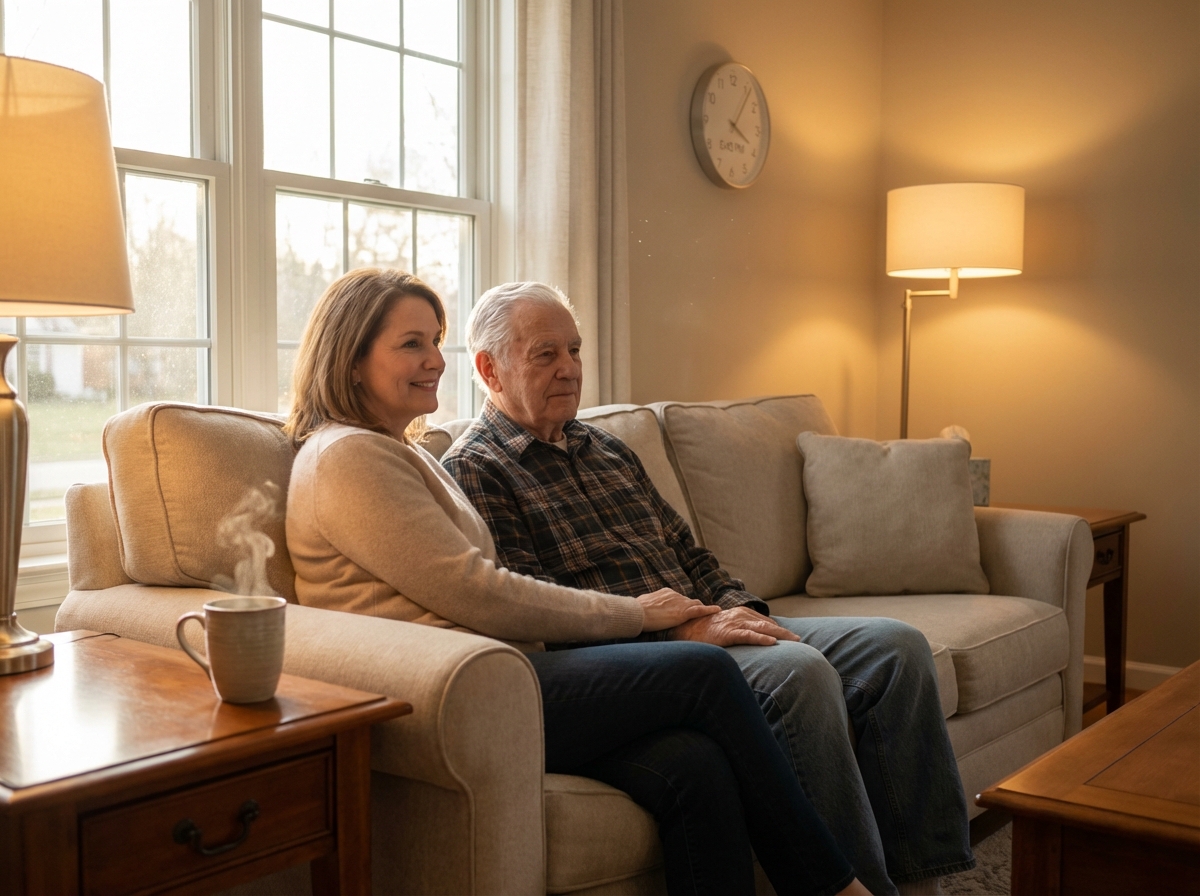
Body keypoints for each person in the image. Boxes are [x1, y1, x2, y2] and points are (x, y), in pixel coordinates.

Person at [283, 267, 871, 896]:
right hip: (461, 693)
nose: (434, 360)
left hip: (496, 675)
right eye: (411, 344)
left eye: (435, 340)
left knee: (693, 765)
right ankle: (831, 887)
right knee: (705, 672)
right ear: (349, 360)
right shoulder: (348, 457)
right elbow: (478, 589)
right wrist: (641, 613)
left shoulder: (393, 451)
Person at [441, 281, 977, 896]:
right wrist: (683, 629)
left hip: (712, 625)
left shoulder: (606, 448)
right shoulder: (476, 470)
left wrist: (742, 613)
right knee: (800, 672)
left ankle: (923, 882)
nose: (570, 368)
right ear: (489, 368)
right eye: (546, 354)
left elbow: (690, 553)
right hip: (645, 658)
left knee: (896, 649)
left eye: (576, 349)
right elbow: (544, 613)